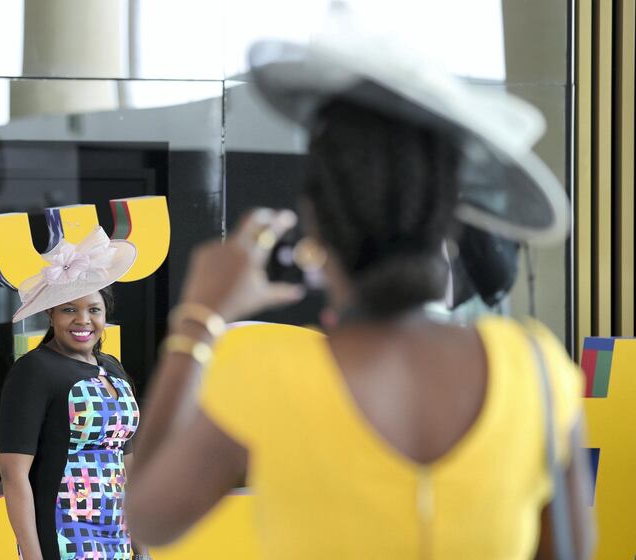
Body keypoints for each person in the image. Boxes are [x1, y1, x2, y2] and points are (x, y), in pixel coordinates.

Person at [125, 33, 594, 560]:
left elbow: (148, 519)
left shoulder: (263, 372)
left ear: (317, 220)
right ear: (447, 216)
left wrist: (199, 317)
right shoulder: (537, 368)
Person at [0, 227, 150, 560]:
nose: (83, 320)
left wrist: (142, 540)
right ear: (50, 314)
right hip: (66, 530)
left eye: (94, 309)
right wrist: (32, 555)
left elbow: (127, 461)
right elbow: (13, 473)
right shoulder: (35, 370)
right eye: (69, 309)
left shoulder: (112, 367)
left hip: (120, 529)